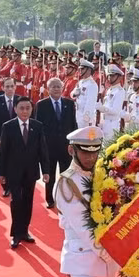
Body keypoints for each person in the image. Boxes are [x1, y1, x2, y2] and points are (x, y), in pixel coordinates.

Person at [55, 126, 118, 277]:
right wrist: (108, 251)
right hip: (81, 258)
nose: (91, 158)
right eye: (85, 153)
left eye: (95, 152)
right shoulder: (66, 183)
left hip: (107, 260)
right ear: (71, 150)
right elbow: (83, 227)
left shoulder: (103, 175)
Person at [0, 97, 50, 249]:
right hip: (13, 171)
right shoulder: (8, 126)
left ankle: (25, 231)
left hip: (31, 171)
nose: (25, 111)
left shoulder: (37, 126)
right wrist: (2, 173)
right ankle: (16, 234)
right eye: (21, 108)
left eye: (28, 108)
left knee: (28, 201)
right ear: (15, 109)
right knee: (16, 201)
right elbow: (3, 151)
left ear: (32, 109)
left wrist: (46, 170)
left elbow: (43, 150)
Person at [35, 78, 78, 209]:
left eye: (58, 86)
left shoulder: (69, 104)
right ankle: (50, 199)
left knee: (66, 174)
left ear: (62, 88)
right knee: (50, 174)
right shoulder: (41, 105)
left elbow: (73, 125)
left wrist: (74, 143)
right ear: (48, 89)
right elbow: (38, 127)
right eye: (53, 86)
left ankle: (65, 198)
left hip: (65, 146)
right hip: (49, 146)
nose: (56, 89)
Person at [0, 78, 20, 197]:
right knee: (4, 161)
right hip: (3, 136)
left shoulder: (20, 100)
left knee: (17, 161)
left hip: (18, 136)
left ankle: (16, 185)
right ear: (2, 87)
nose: (9, 89)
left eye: (11, 86)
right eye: (7, 86)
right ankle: (6, 187)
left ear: (15, 87)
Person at [95, 64, 125, 136]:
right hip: (105, 122)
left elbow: (115, 111)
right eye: (109, 76)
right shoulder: (110, 90)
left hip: (113, 124)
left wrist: (102, 108)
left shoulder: (120, 91)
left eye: (112, 76)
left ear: (119, 77)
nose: (110, 78)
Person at [72, 59, 98, 128]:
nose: (80, 71)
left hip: (85, 116)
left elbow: (90, 103)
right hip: (78, 113)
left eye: (82, 69)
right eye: (80, 69)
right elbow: (72, 95)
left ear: (89, 70)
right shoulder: (80, 82)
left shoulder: (92, 84)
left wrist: (86, 118)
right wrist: (74, 93)